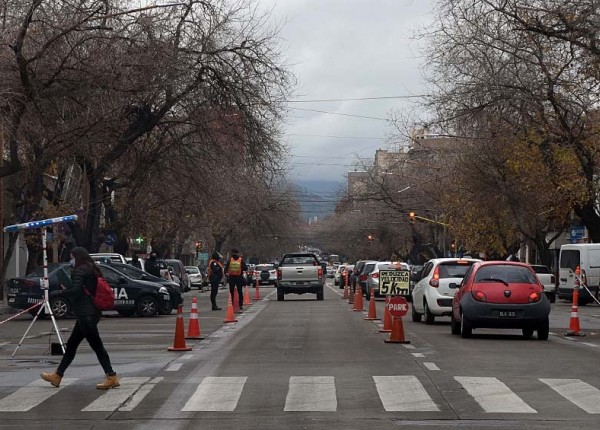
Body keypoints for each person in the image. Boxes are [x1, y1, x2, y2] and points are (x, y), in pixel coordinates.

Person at [40, 246, 119, 390]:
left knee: (97, 347)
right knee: (71, 346)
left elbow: (76, 290)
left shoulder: (80, 270)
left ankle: (111, 376)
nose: (71, 260)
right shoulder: (91, 268)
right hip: (90, 313)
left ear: (77, 257)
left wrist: (60, 292)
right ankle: (57, 376)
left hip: (85, 314)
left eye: (72, 257)